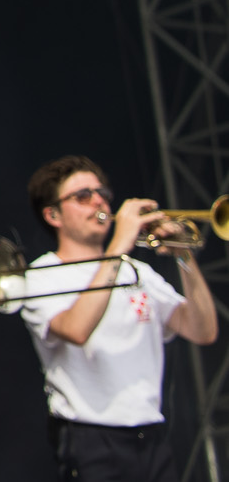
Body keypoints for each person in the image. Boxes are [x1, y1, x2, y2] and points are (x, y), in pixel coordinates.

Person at [20, 155, 219, 482]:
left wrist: (183, 254)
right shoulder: (42, 274)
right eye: (83, 196)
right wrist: (119, 245)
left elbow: (203, 331)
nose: (98, 202)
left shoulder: (137, 271)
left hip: (151, 434)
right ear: (53, 215)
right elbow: (76, 329)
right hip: (91, 438)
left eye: (102, 193)